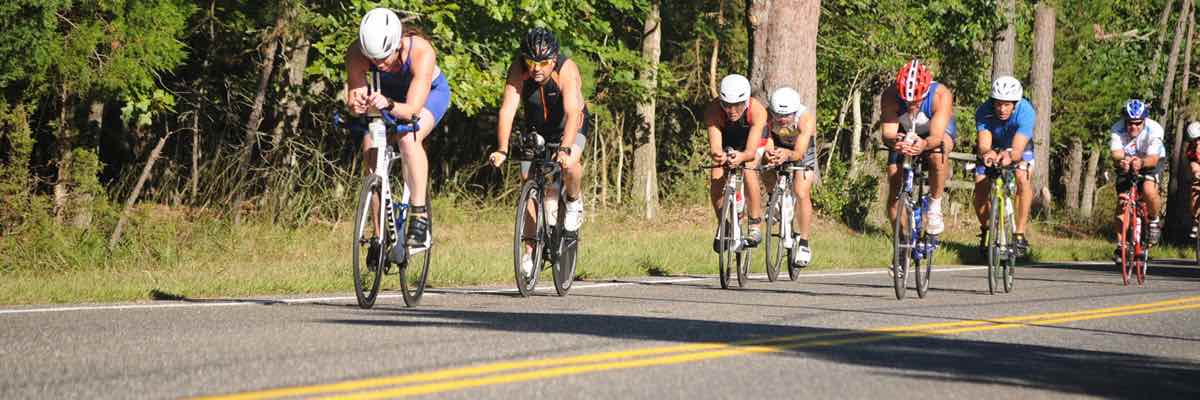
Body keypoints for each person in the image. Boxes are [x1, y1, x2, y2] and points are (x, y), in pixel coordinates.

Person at [345, 7, 451, 255]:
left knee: (407, 136)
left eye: (383, 58)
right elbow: (354, 97)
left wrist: (390, 104)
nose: (378, 65)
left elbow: (412, 110)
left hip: (426, 97)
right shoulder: (357, 53)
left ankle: (418, 213)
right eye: (372, 59)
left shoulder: (421, 51)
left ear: (397, 45)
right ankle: (380, 236)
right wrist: (356, 104)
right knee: (371, 146)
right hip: (385, 98)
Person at [488, 27, 589, 276]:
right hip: (537, 129)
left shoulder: (567, 70)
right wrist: (501, 148)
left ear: (553, 59)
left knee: (570, 164)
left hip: (570, 125)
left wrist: (565, 149)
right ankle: (530, 250)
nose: (537, 69)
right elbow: (507, 110)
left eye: (543, 63)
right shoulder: (518, 71)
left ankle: (574, 202)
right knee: (528, 182)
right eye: (531, 61)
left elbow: (573, 113)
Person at [880, 59, 957, 239]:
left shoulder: (940, 95)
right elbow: (888, 134)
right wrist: (897, 143)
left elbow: (936, 137)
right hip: (904, 130)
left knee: (939, 153)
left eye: (916, 100)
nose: (911, 105)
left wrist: (923, 144)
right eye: (906, 101)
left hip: (934, 131)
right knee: (894, 184)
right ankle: (901, 241)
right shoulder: (890, 95)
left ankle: (934, 205)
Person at [704, 74, 769, 251]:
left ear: (746, 101)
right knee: (716, 176)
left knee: (748, 169)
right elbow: (715, 148)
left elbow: (749, 152)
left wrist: (741, 157)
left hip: (753, 139)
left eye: (738, 105)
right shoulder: (713, 111)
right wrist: (720, 157)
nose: (732, 110)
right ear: (721, 102)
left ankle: (755, 224)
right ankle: (724, 225)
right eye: (727, 105)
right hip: (728, 137)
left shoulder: (757, 111)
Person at [973, 76, 1036, 255]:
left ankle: (1019, 233)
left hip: (1018, 146)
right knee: (980, 184)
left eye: (1007, 104)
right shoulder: (984, 111)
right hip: (993, 145)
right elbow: (984, 143)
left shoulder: (1026, 112)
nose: (1002, 109)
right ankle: (986, 229)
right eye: (998, 104)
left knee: (1022, 177)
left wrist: (1010, 156)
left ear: (1015, 104)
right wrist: (987, 153)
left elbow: (1017, 150)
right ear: (993, 102)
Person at [761, 86, 817, 267]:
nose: (782, 119)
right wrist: (770, 153)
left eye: (787, 116)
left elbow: (799, 152)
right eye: (778, 115)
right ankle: (773, 201)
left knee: (801, 192)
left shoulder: (805, 119)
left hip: (802, 148)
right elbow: (767, 139)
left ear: (795, 111)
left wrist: (787, 154)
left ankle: (804, 244)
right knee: (765, 166)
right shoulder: (768, 116)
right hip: (779, 142)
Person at [1110, 99, 1166, 246]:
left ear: (1144, 120)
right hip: (1128, 161)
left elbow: (1153, 159)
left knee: (1148, 189)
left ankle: (1154, 220)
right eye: (1130, 123)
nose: (1133, 127)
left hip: (1151, 160)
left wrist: (1141, 162)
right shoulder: (1117, 128)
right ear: (1125, 120)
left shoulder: (1155, 129)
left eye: (1138, 123)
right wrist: (1124, 161)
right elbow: (1115, 153)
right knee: (1122, 202)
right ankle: (1121, 245)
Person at [1187, 121, 1200, 238]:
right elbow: (1193, 163)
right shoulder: (1191, 148)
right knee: (1195, 191)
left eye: (1198, 139)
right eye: (1193, 140)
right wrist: (1196, 172)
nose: (1196, 142)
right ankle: (1196, 221)